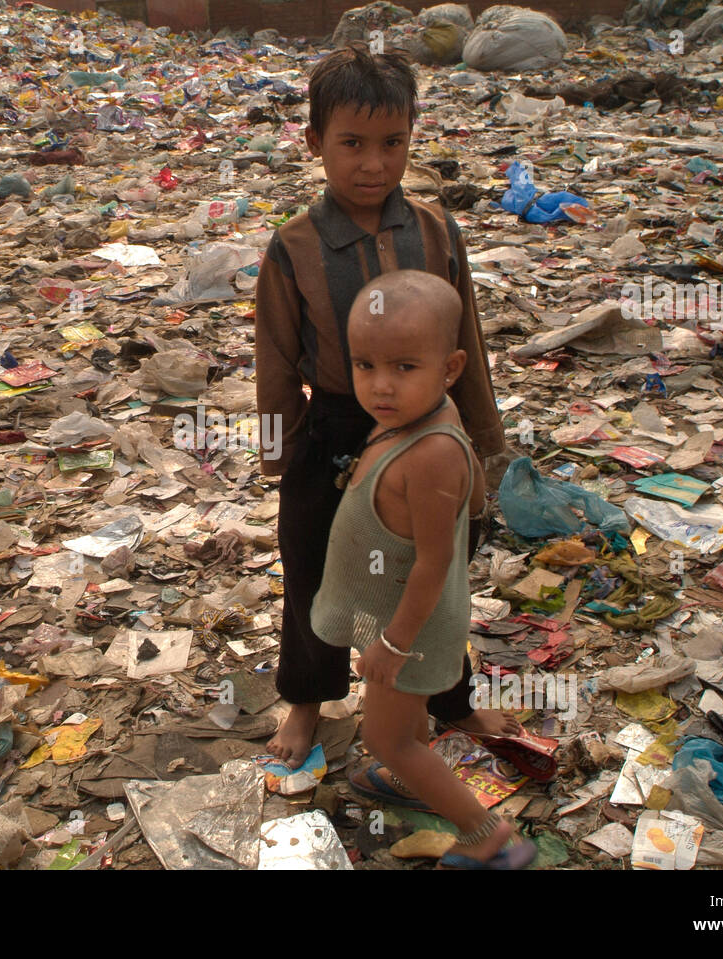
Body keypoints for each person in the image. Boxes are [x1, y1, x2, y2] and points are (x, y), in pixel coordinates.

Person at [254, 46, 516, 779]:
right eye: (352, 144)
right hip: (335, 429)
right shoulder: (295, 247)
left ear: (411, 139)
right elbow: (275, 363)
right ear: (315, 144)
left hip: (431, 430)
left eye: (392, 144)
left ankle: (448, 693)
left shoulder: (436, 232)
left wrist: (483, 443)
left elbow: (467, 344)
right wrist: (283, 460)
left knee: (437, 567)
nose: (373, 163)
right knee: (312, 563)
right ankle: (309, 694)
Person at [310, 270, 536, 869]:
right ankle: (416, 773)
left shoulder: (433, 450)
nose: (381, 386)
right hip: (399, 612)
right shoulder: (406, 417)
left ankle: (488, 835)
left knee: (384, 737)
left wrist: (392, 642)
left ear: (452, 368)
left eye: (404, 367)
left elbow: (436, 561)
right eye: (365, 366)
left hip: (409, 622)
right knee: (404, 730)